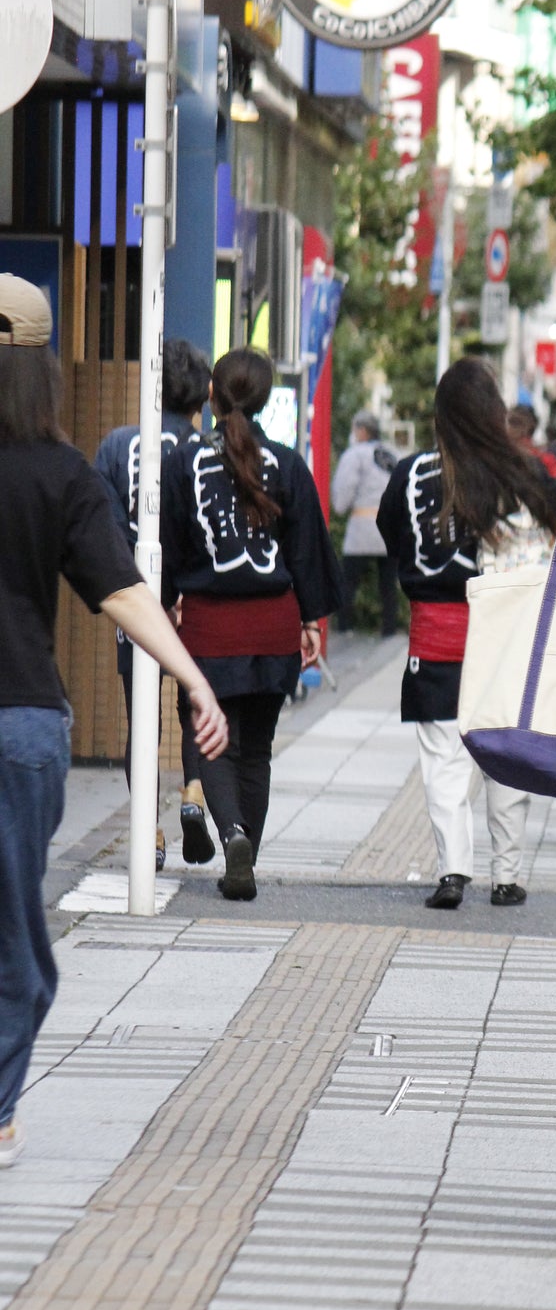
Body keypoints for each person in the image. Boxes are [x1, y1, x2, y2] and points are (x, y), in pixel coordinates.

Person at [0, 275, 228, 1165]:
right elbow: (126, 593)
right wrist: (195, 682)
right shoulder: (60, 473)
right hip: (21, 725)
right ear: (43, 370)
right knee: (16, 935)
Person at [378, 358, 556, 911]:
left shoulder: (411, 477)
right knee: (507, 753)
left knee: (444, 760)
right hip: (508, 636)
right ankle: (506, 876)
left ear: (440, 416)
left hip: (437, 637)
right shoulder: (525, 476)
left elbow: (395, 541)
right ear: (495, 413)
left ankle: (453, 871)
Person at [160, 346, 344, 902]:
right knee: (257, 748)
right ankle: (247, 860)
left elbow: (166, 545)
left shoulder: (183, 461)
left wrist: (166, 603)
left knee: (212, 740)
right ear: (264, 399)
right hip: (273, 626)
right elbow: (307, 549)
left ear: (211, 395)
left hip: (210, 627)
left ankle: (233, 834)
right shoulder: (286, 464)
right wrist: (311, 619)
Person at [95, 337, 215, 867]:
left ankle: (150, 831)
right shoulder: (205, 449)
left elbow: (107, 527)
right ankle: (193, 790)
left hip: (136, 596)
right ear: (204, 394)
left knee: (139, 715)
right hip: (192, 600)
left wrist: (136, 588)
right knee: (194, 703)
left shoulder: (118, 444)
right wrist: (186, 591)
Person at [331, 411, 400, 635]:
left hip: (362, 524)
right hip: (389, 526)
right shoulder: (391, 453)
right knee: (388, 583)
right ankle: (389, 629)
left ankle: (345, 626)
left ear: (362, 430)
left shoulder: (355, 455)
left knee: (349, 579)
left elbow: (344, 490)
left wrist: (340, 506)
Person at [507, 400, 556, 478]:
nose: (508, 427)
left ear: (527, 428)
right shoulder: (548, 460)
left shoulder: (546, 461)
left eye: (514, 422)